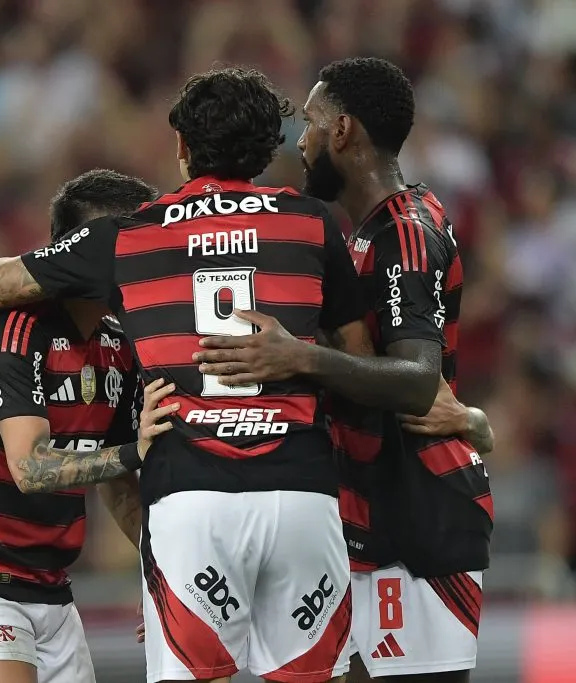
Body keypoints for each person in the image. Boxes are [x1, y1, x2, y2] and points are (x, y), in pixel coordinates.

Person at [0, 67, 445, 683]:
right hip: (300, 493)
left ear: (183, 147)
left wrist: (67, 274)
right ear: (268, 148)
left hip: (191, 497)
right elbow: (360, 359)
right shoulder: (312, 223)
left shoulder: (128, 235)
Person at [194, 58, 494, 683]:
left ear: (342, 132)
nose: (297, 140)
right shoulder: (360, 235)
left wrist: (297, 355)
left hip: (417, 518)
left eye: (308, 122)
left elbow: (415, 379)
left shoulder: (407, 235)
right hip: (362, 512)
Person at [0, 170, 161, 683]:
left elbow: (117, 486)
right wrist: (135, 450)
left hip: (51, 586)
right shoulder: (13, 332)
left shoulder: (119, 345)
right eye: (137, 243)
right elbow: (30, 466)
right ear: (85, 254)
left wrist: (159, 574)